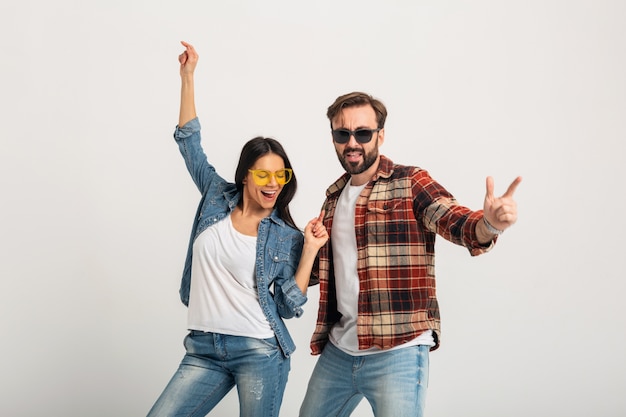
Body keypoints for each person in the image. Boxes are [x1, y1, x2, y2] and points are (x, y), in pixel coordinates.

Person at [299, 91, 522, 417]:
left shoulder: (410, 182)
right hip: (340, 350)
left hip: (398, 352)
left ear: (380, 135)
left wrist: (490, 223)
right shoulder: (332, 200)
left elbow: (456, 221)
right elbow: (326, 271)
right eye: (342, 134)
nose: (352, 143)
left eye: (362, 133)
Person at [147, 41, 328, 417]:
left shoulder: (286, 236)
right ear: (246, 176)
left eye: (281, 175)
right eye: (264, 173)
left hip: (259, 351)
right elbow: (189, 144)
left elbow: (288, 305)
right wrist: (187, 76)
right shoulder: (216, 196)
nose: (273, 183)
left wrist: (309, 250)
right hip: (203, 348)